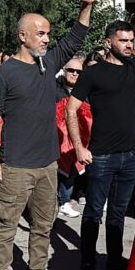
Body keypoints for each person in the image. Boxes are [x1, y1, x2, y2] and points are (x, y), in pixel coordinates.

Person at [0, 0, 95, 270]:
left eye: (48, 34)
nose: (46, 39)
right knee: (5, 227)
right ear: (23, 36)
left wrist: (86, 6)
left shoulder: (49, 65)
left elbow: (76, 37)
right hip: (15, 166)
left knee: (44, 224)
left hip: (48, 164)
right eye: (41, 34)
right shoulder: (4, 74)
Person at [66, 0, 135, 270]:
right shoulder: (92, 73)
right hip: (101, 156)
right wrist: (80, 148)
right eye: (122, 41)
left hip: (129, 156)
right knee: (94, 212)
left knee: (119, 213)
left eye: (131, 40)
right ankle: (86, 262)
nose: (129, 45)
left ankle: (112, 259)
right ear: (109, 42)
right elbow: (71, 110)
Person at [55, 55, 85, 219]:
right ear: (64, 71)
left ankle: (65, 200)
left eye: (79, 71)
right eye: (71, 70)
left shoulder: (84, 89)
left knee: (72, 170)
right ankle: (59, 201)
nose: (74, 74)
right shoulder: (53, 88)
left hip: (77, 139)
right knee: (57, 172)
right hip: (56, 138)